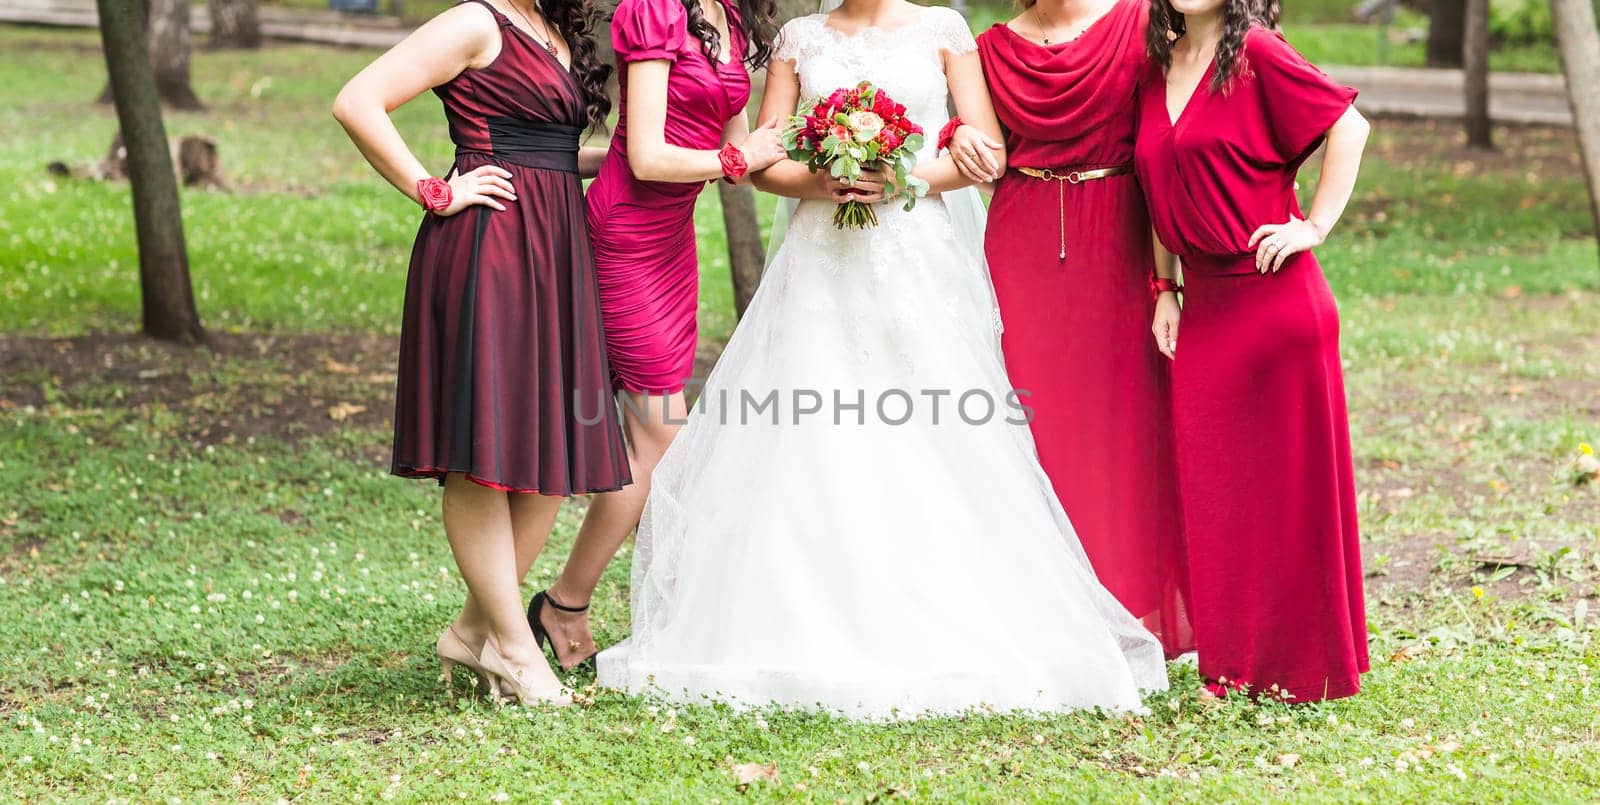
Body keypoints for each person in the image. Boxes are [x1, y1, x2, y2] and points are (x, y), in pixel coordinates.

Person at [595, 0, 1167, 719]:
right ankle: (790, 613)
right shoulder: (799, 41)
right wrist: (824, 181)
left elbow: (985, 149)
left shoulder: (944, 30)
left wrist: (898, 178)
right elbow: (766, 162)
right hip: (820, 254)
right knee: (810, 425)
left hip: (915, 254)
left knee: (939, 422)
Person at [332, 0, 629, 705]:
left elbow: (546, 152)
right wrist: (434, 190)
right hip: (487, 249)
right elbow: (357, 101)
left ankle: (474, 630)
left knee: (549, 461)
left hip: (552, 252)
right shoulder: (476, 21)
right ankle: (520, 654)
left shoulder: (553, 30)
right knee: (483, 453)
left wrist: (637, 166)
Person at [525, 0, 788, 671]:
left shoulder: (729, 15)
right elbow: (644, 155)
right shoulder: (653, 11)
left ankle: (574, 602)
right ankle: (570, 603)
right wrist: (737, 157)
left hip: (672, 245)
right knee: (662, 438)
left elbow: (742, 147)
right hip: (622, 238)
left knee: (658, 438)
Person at [1133, 0, 1371, 701]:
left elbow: (1348, 127)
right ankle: (1230, 664)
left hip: (1276, 299)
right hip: (1204, 302)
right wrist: (1164, 288)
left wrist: (1315, 225)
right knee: (1217, 491)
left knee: (1288, 492)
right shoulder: (1158, 69)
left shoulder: (1259, 54)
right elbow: (1155, 189)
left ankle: (1302, 666)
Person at [949, 0, 1194, 657]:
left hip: (1119, 234)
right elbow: (972, 140)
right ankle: (1037, 611)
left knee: (1123, 426)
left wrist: (1168, 281)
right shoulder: (989, 47)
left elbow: (1177, 126)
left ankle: (1131, 606)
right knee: (1032, 424)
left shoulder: (1142, 20)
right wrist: (958, 140)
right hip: (1022, 239)